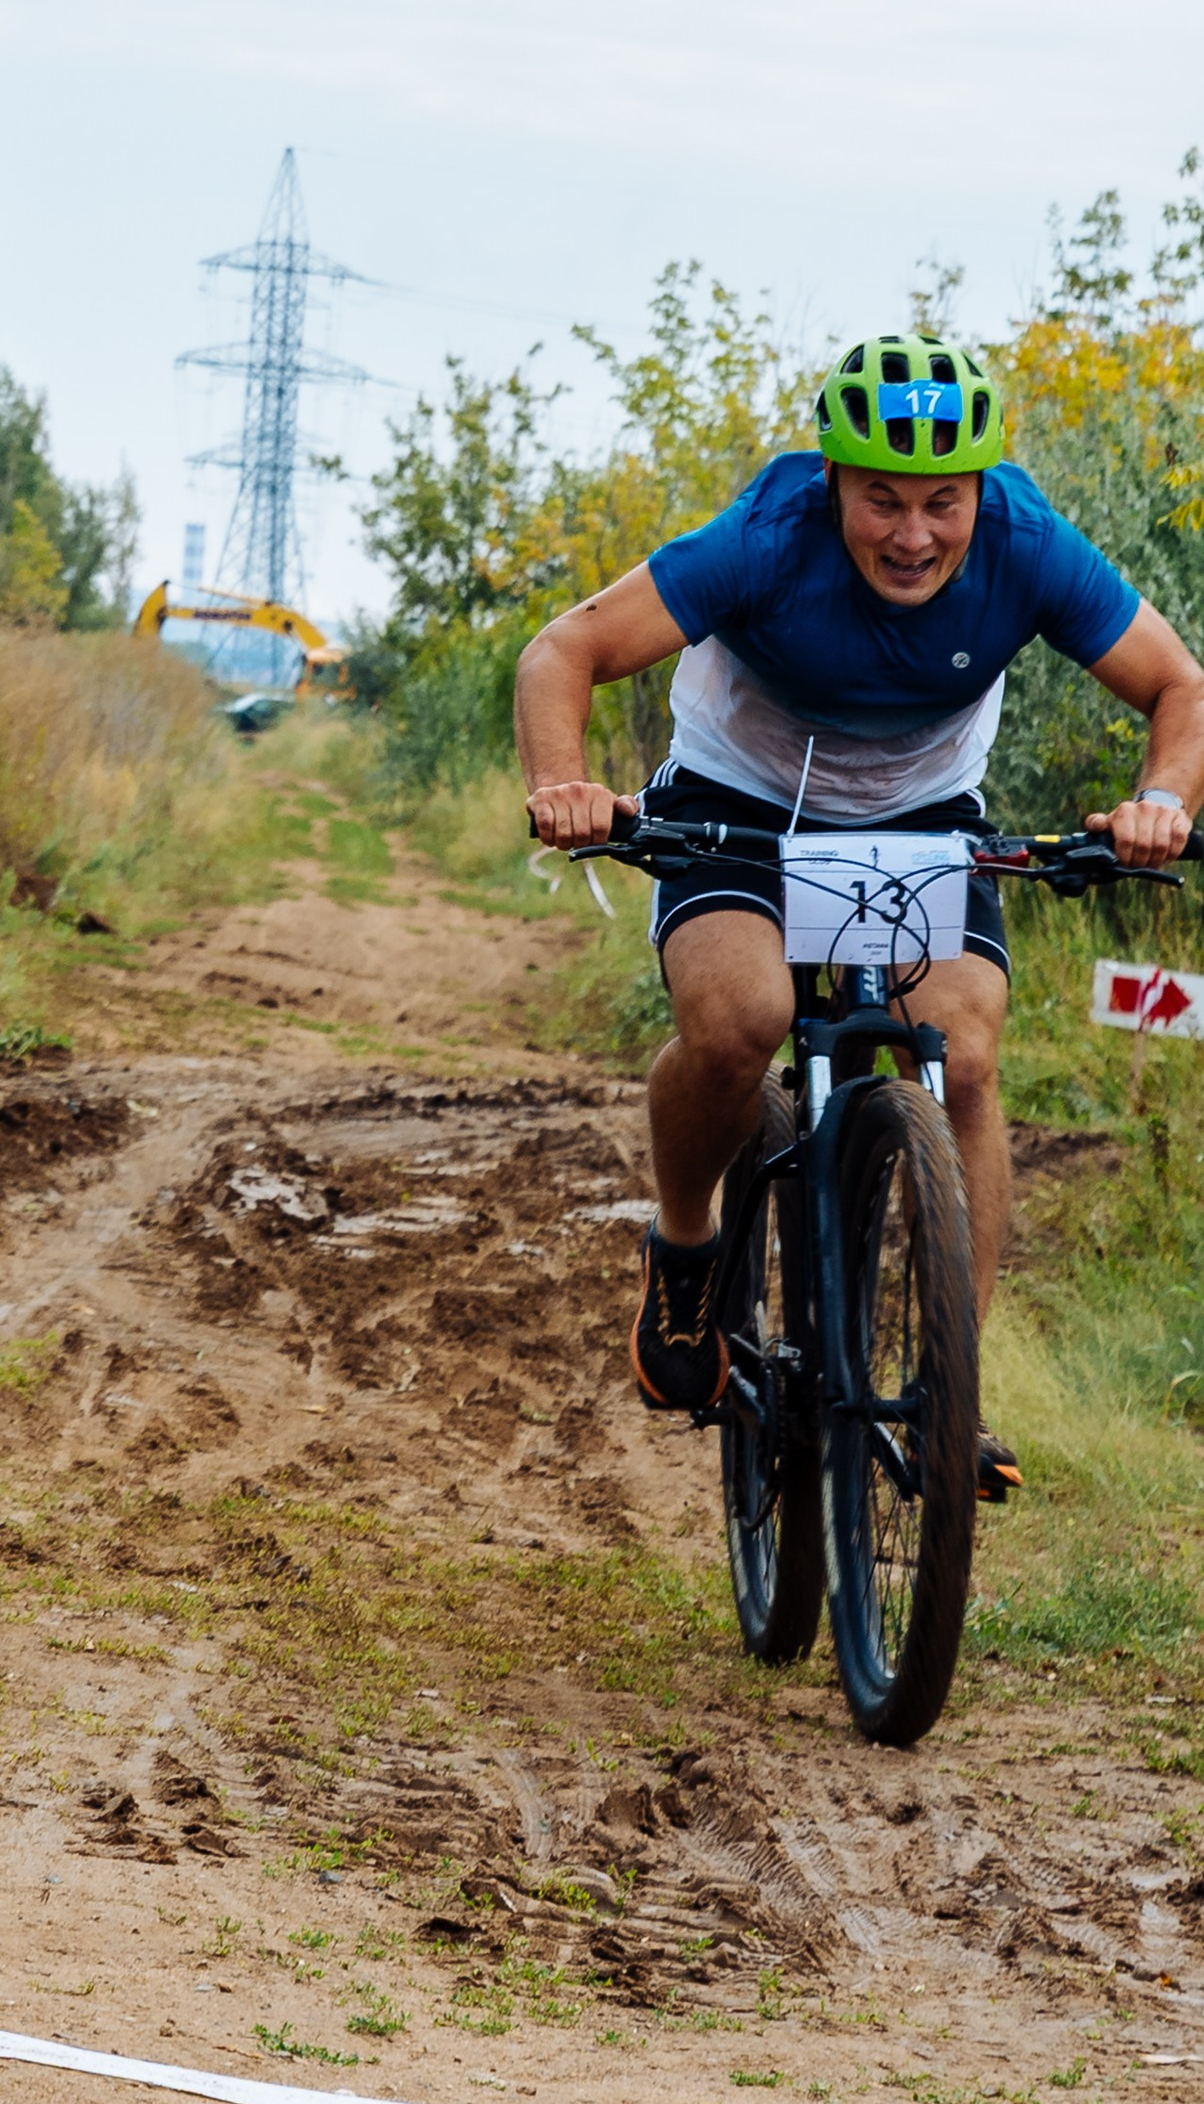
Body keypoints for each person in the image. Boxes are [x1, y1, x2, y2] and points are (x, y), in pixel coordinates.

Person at [514, 331, 1204, 1499]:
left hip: (923, 818)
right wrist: (561, 785)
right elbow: (564, 649)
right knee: (739, 1021)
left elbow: (1178, 685)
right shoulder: (768, 535)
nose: (912, 533)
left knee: (967, 1054)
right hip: (741, 804)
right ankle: (685, 1247)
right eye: (881, 499)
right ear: (833, 479)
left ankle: (953, 1391)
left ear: (980, 493)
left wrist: (1159, 801)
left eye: (942, 502)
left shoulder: (1029, 545)